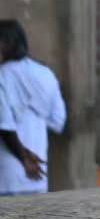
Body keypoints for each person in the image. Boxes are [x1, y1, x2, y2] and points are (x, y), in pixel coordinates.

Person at [0, 20, 66, 196]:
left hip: (6, 178)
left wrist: (24, 158)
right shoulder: (46, 74)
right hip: (37, 176)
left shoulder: (2, 76)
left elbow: (5, 126)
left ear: (6, 43)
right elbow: (58, 120)